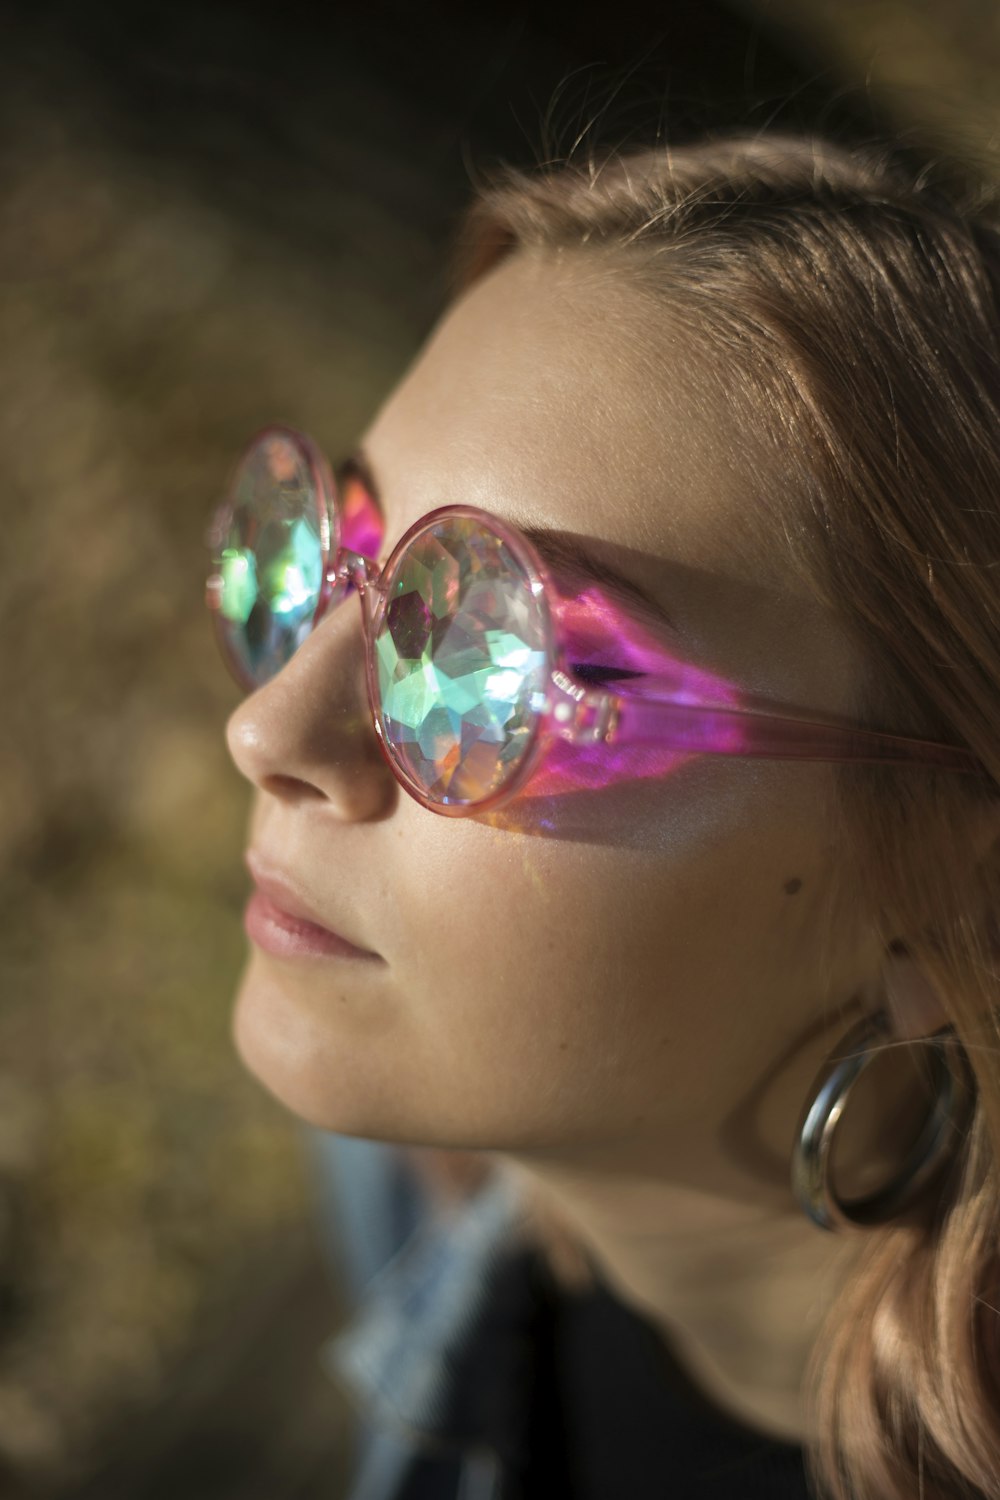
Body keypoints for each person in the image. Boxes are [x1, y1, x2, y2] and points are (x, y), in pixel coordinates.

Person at [206, 128, 1000, 1499]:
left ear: (952, 900)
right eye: (328, 562)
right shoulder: (415, 1180)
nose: (269, 730)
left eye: (500, 658)